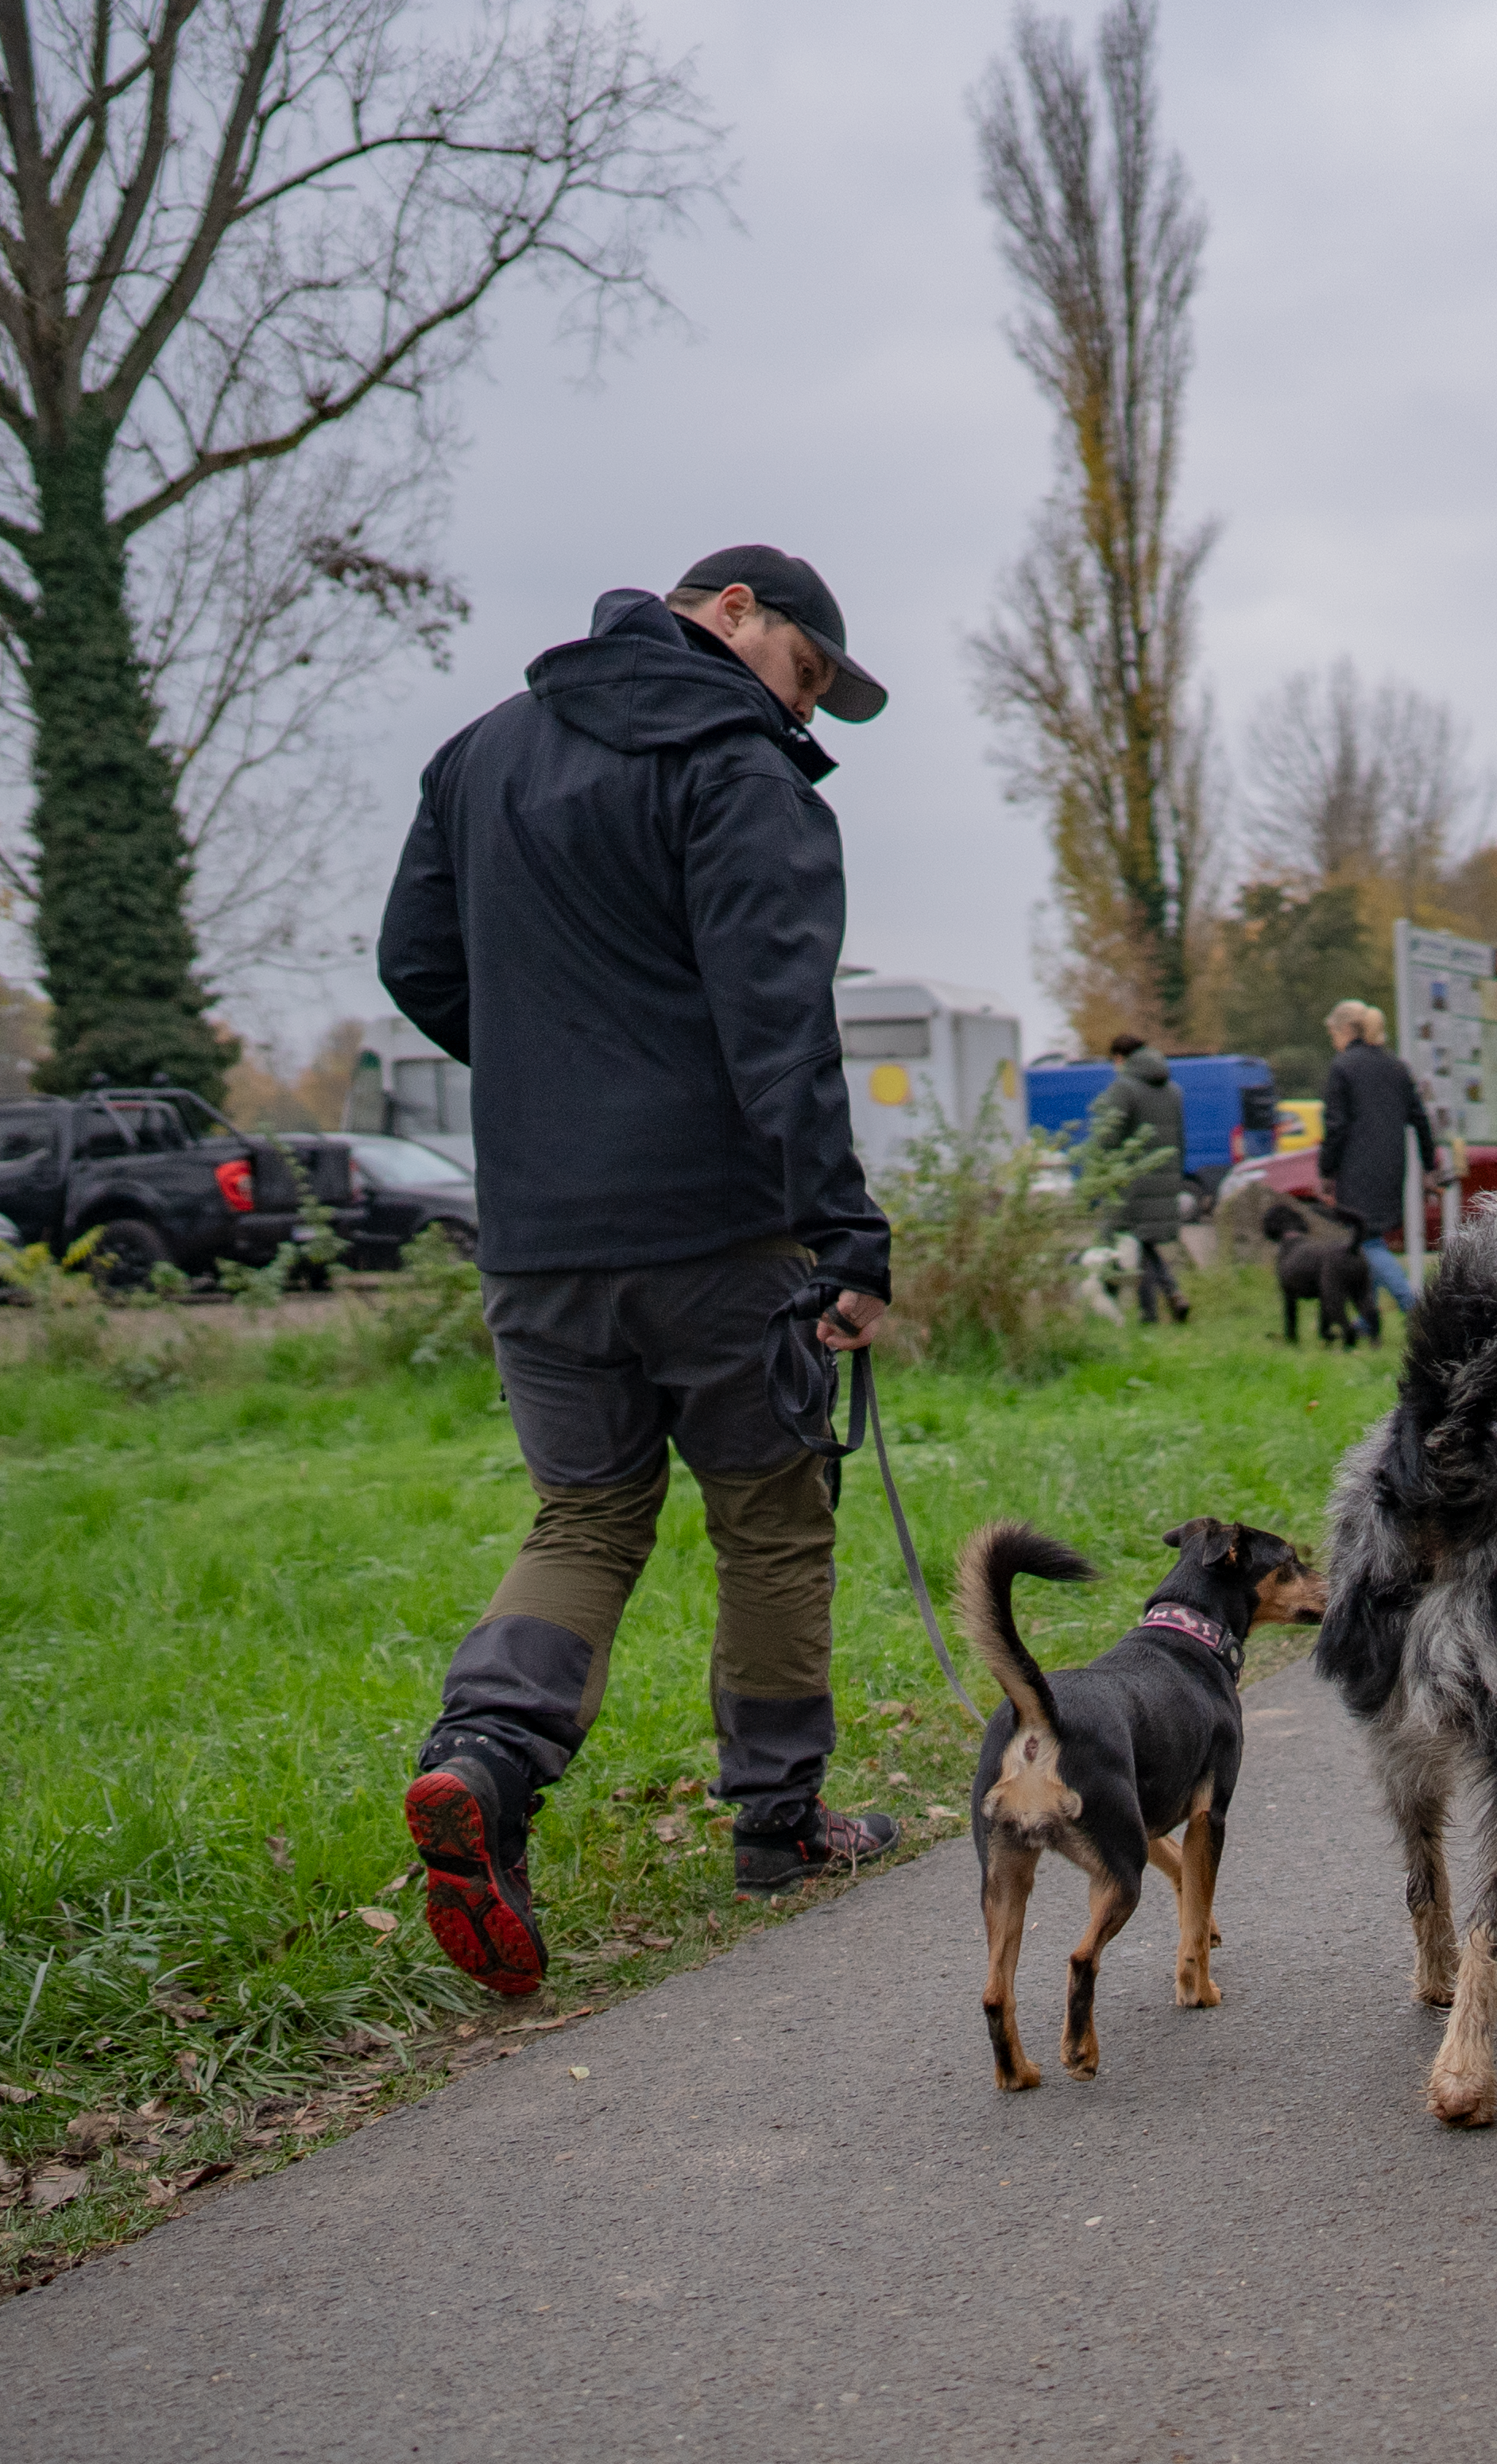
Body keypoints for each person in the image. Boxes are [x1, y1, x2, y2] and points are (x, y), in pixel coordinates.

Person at [377, 545, 908, 2000]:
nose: (803, 720)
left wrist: (565, 1085)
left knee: (589, 1516)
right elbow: (779, 1018)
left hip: (541, 1238)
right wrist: (846, 1235)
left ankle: (483, 1765)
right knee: (772, 1516)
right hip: (720, 1236)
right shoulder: (740, 770)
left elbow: (416, 967)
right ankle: (781, 1828)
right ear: (730, 611)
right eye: (803, 677)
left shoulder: (477, 754)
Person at [1315, 1000, 1439, 1309]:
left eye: (1332, 1031)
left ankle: (1414, 1308)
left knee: (1366, 1241)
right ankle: (1367, 1320)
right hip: (1392, 1167)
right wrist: (1429, 1166)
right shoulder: (1397, 1067)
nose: (1333, 1039)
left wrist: (1326, 1171)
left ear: (1346, 1030)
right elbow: (1421, 1120)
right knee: (1370, 1239)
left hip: (1357, 1169)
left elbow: (1337, 1126)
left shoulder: (1343, 1067)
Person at [1086, 1032, 1192, 1324]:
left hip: (1132, 1181)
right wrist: (1176, 1176)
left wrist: (1098, 1174)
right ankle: (1172, 1293)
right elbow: (1181, 1140)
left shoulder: (1124, 1088)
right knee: (1146, 1242)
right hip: (1165, 1176)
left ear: (1120, 1058)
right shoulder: (1173, 1090)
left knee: (1132, 1241)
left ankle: (1149, 1315)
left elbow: (1107, 1135)